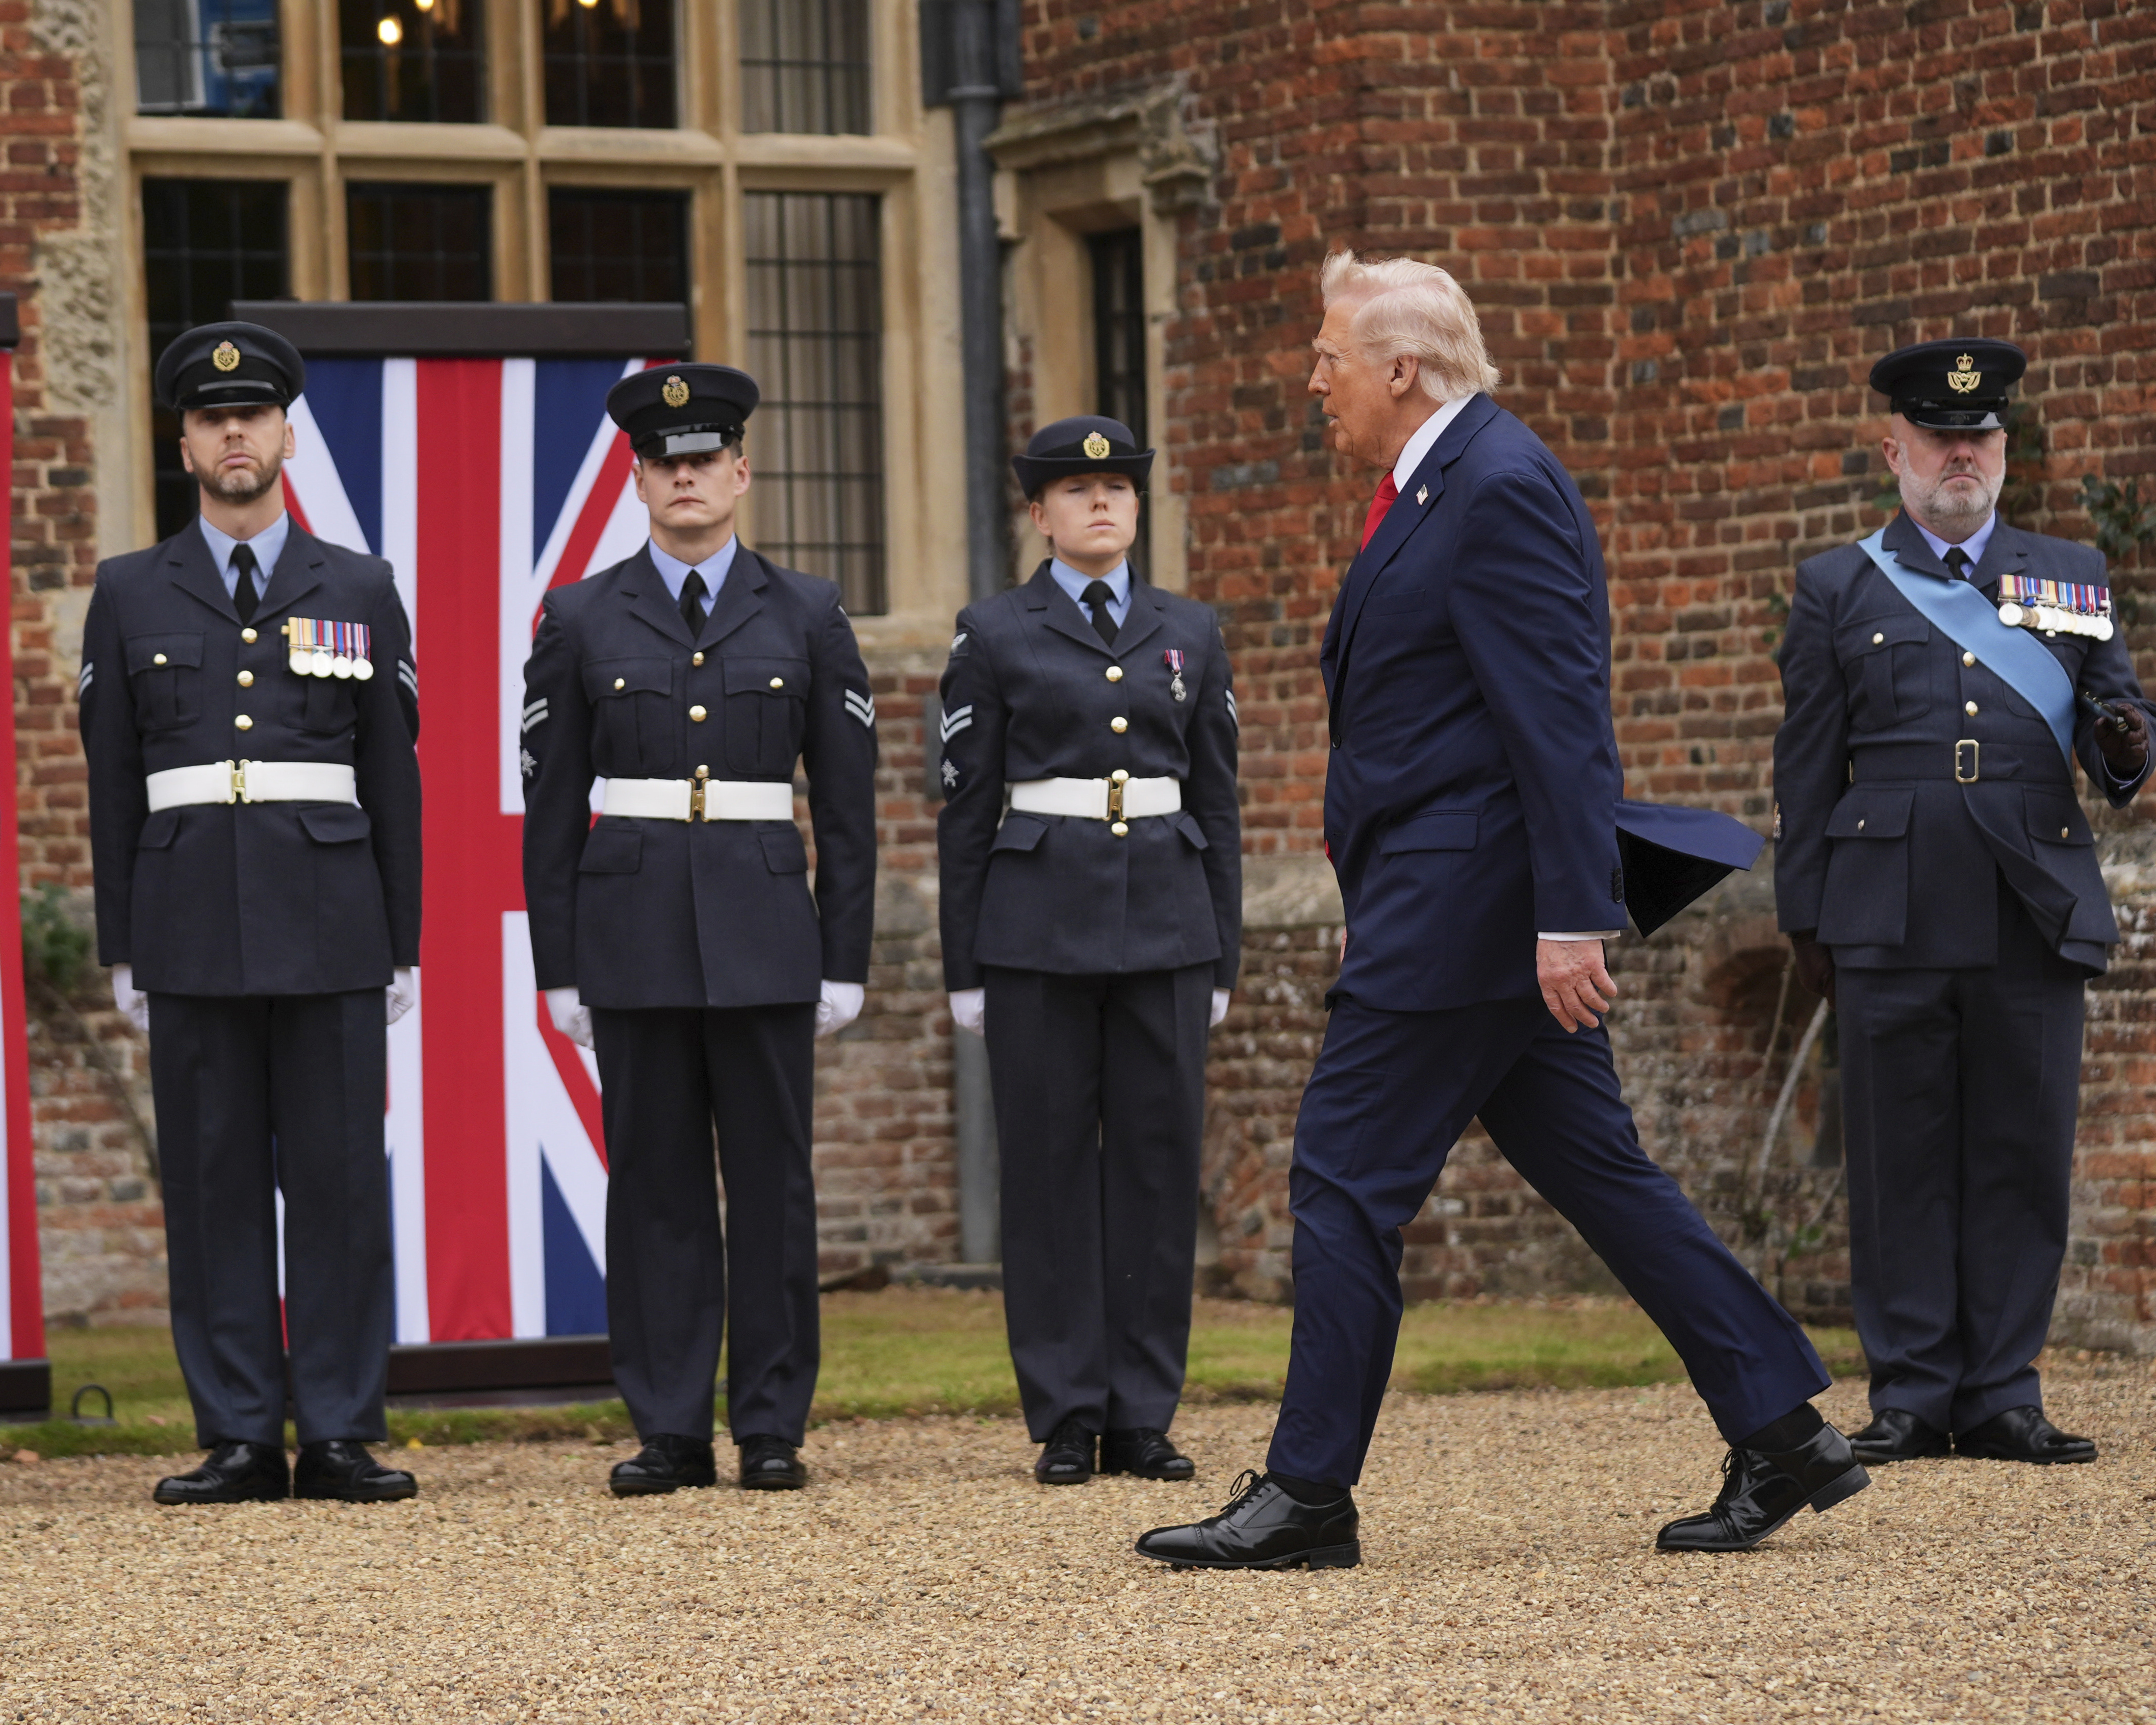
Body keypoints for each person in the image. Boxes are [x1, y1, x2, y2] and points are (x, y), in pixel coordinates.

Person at [1137, 252, 1859, 1571]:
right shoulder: (1434, 485)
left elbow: (1562, 721)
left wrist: (1571, 914)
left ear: (1401, 370)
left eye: (1329, 359)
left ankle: (1308, 1491)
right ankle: (1784, 1427)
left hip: (1476, 908)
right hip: (1444, 897)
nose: (1313, 380)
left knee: (1343, 1177)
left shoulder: (1500, 486)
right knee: (1602, 1170)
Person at [1772, 339, 2148, 1468]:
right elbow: (1804, 766)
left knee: (2019, 1150)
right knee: (1896, 1153)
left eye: (1979, 436)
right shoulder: (1837, 583)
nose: (1961, 455)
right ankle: (1909, 1387)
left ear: (2004, 449)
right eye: (1938, 435)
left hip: (2029, 895)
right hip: (1885, 901)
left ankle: (1999, 1391)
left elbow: (2113, 726)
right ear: (1895, 448)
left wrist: (2126, 740)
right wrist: (1806, 917)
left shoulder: (2067, 573)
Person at [81, 321, 424, 1506]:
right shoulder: (128, 591)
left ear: (286, 433)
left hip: (331, 917)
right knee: (217, 1181)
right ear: (185, 441)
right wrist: (121, 940)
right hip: (186, 919)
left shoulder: (360, 585)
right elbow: (112, 779)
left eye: (256, 415)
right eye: (212, 418)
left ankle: (336, 1426)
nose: (236, 434)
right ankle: (235, 1429)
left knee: (336, 1183)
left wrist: (402, 941)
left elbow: (394, 777)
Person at [519, 363, 878, 1496]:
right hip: (631, 935)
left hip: (768, 927)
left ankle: (771, 1421)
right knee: (658, 1185)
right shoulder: (580, 615)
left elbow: (850, 804)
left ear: (740, 472)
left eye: (704, 459)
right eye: (664, 462)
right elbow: (549, 804)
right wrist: (560, 964)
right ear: (639, 481)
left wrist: (845, 955)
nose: (685, 477)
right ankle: (669, 1422)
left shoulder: (808, 610)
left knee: (773, 1187)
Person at [935, 417, 1239, 1486]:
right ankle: (1066, 1408)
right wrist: (963, 966)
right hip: (1035, 929)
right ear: (1040, 515)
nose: (1100, 504)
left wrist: (1225, 956)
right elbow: (964, 810)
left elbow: (1217, 798)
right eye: (1075, 491)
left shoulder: (1189, 628)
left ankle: (1143, 1408)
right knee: (1052, 1171)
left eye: (1116, 488)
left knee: (1157, 1170)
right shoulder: (994, 631)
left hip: (1165, 923)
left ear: (1138, 506)